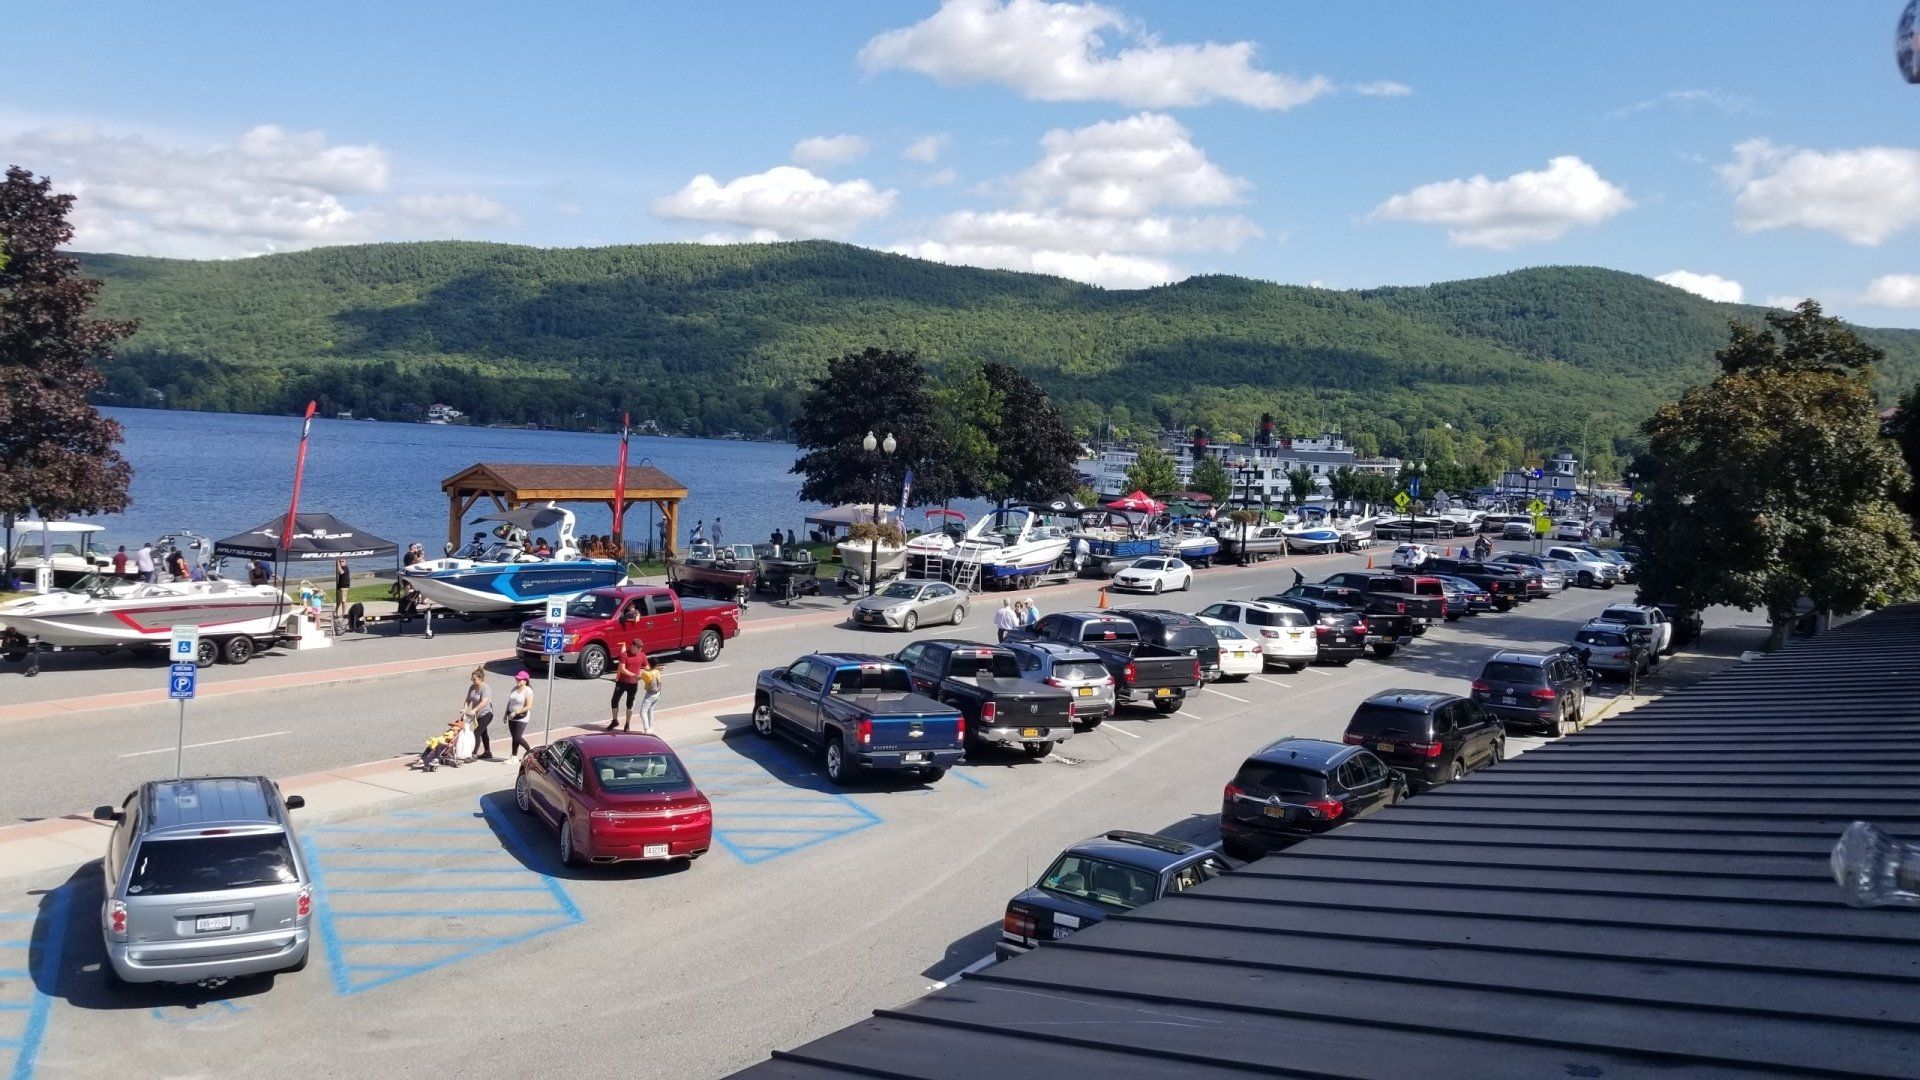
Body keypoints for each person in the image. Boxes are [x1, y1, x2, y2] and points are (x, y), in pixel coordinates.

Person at [461, 666, 496, 761]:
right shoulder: (472, 687)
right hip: (477, 715)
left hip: (486, 714)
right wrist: (464, 709)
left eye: (474, 679)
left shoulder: (485, 688)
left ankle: (474, 754)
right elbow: (468, 699)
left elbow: (484, 702)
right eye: (471, 679)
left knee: (476, 733)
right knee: (483, 733)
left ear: (480, 679)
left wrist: (474, 710)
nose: (472, 681)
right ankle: (488, 752)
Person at [609, 641, 645, 731]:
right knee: (614, 700)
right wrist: (633, 675)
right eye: (638, 647)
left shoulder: (642, 655)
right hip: (621, 682)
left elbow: (647, 667)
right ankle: (614, 720)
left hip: (633, 684)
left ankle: (627, 724)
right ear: (633, 646)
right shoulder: (624, 655)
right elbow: (622, 669)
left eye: (641, 648)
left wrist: (655, 669)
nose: (640, 650)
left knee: (629, 704)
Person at [505, 671, 535, 757]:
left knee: (518, 737)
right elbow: (510, 702)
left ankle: (530, 751)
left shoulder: (528, 690)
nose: (517, 680)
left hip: (521, 717)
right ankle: (514, 756)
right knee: (514, 737)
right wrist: (505, 714)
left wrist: (516, 712)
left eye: (520, 679)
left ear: (525, 681)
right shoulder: (514, 688)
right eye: (517, 679)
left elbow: (528, 706)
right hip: (511, 716)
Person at [637, 658, 663, 735]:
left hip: (650, 694)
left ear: (649, 664)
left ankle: (647, 729)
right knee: (651, 710)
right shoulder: (657, 671)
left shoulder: (647, 674)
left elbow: (639, 677)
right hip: (657, 693)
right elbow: (653, 670)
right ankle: (650, 728)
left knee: (642, 713)